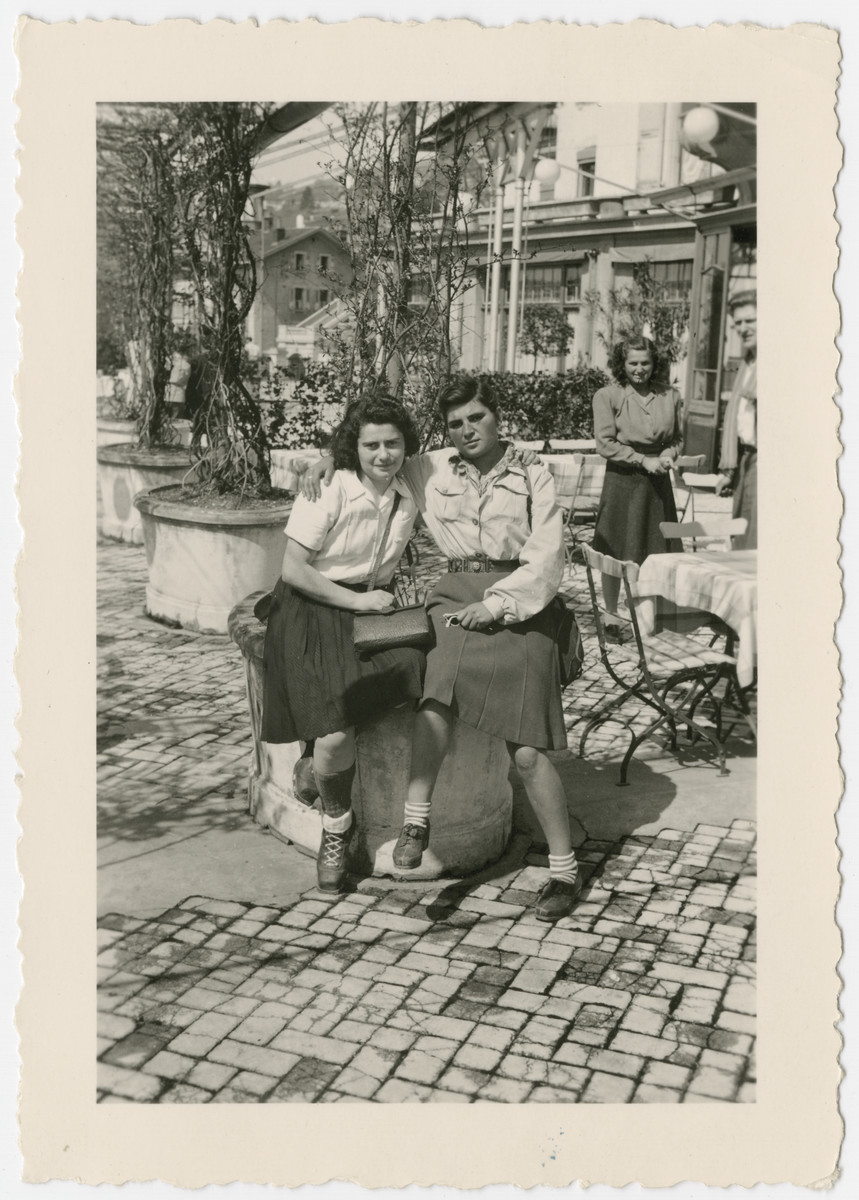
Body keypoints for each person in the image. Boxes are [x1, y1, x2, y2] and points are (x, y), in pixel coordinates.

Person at [302, 378, 583, 922]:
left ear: (497, 417)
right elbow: (374, 458)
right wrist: (325, 461)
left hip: (522, 603)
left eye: (476, 418)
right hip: (454, 595)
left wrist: (498, 605)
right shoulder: (431, 466)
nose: (466, 430)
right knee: (436, 697)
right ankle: (416, 820)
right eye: (455, 424)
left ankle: (565, 869)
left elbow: (548, 560)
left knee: (527, 750)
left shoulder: (535, 475)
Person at [260, 395, 426, 894]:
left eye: (392, 443)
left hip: (368, 605)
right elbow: (293, 569)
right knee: (337, 728)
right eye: (370, 444)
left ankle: (316, 764)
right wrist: (358, 603)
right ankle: (338, 826)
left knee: (423, 667)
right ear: (353, 446)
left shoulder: (408, 489)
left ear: (407, 446)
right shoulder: (329, 486)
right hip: (311, 604)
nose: (383, 454)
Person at [592, 334, 684, 634]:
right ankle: (611, 614)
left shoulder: (670, 395)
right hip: (623, 480)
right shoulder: (608, 396)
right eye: (633, 363)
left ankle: (646, 617)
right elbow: (604, 443)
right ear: (622, 364)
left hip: (658, 484)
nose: (640, 369)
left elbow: (677, 438)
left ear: (654, 363)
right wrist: (642, 460)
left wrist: (669, 454)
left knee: (653, 548)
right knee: (615, 547)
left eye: (645, 363)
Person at [715, 290, 757, 550]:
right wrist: (730, 471)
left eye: (750, 320)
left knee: (756, 538)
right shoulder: (748, 363)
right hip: (746, 461)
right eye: (738, 323)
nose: (743, 328)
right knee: (743, 535)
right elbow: (740, 419)